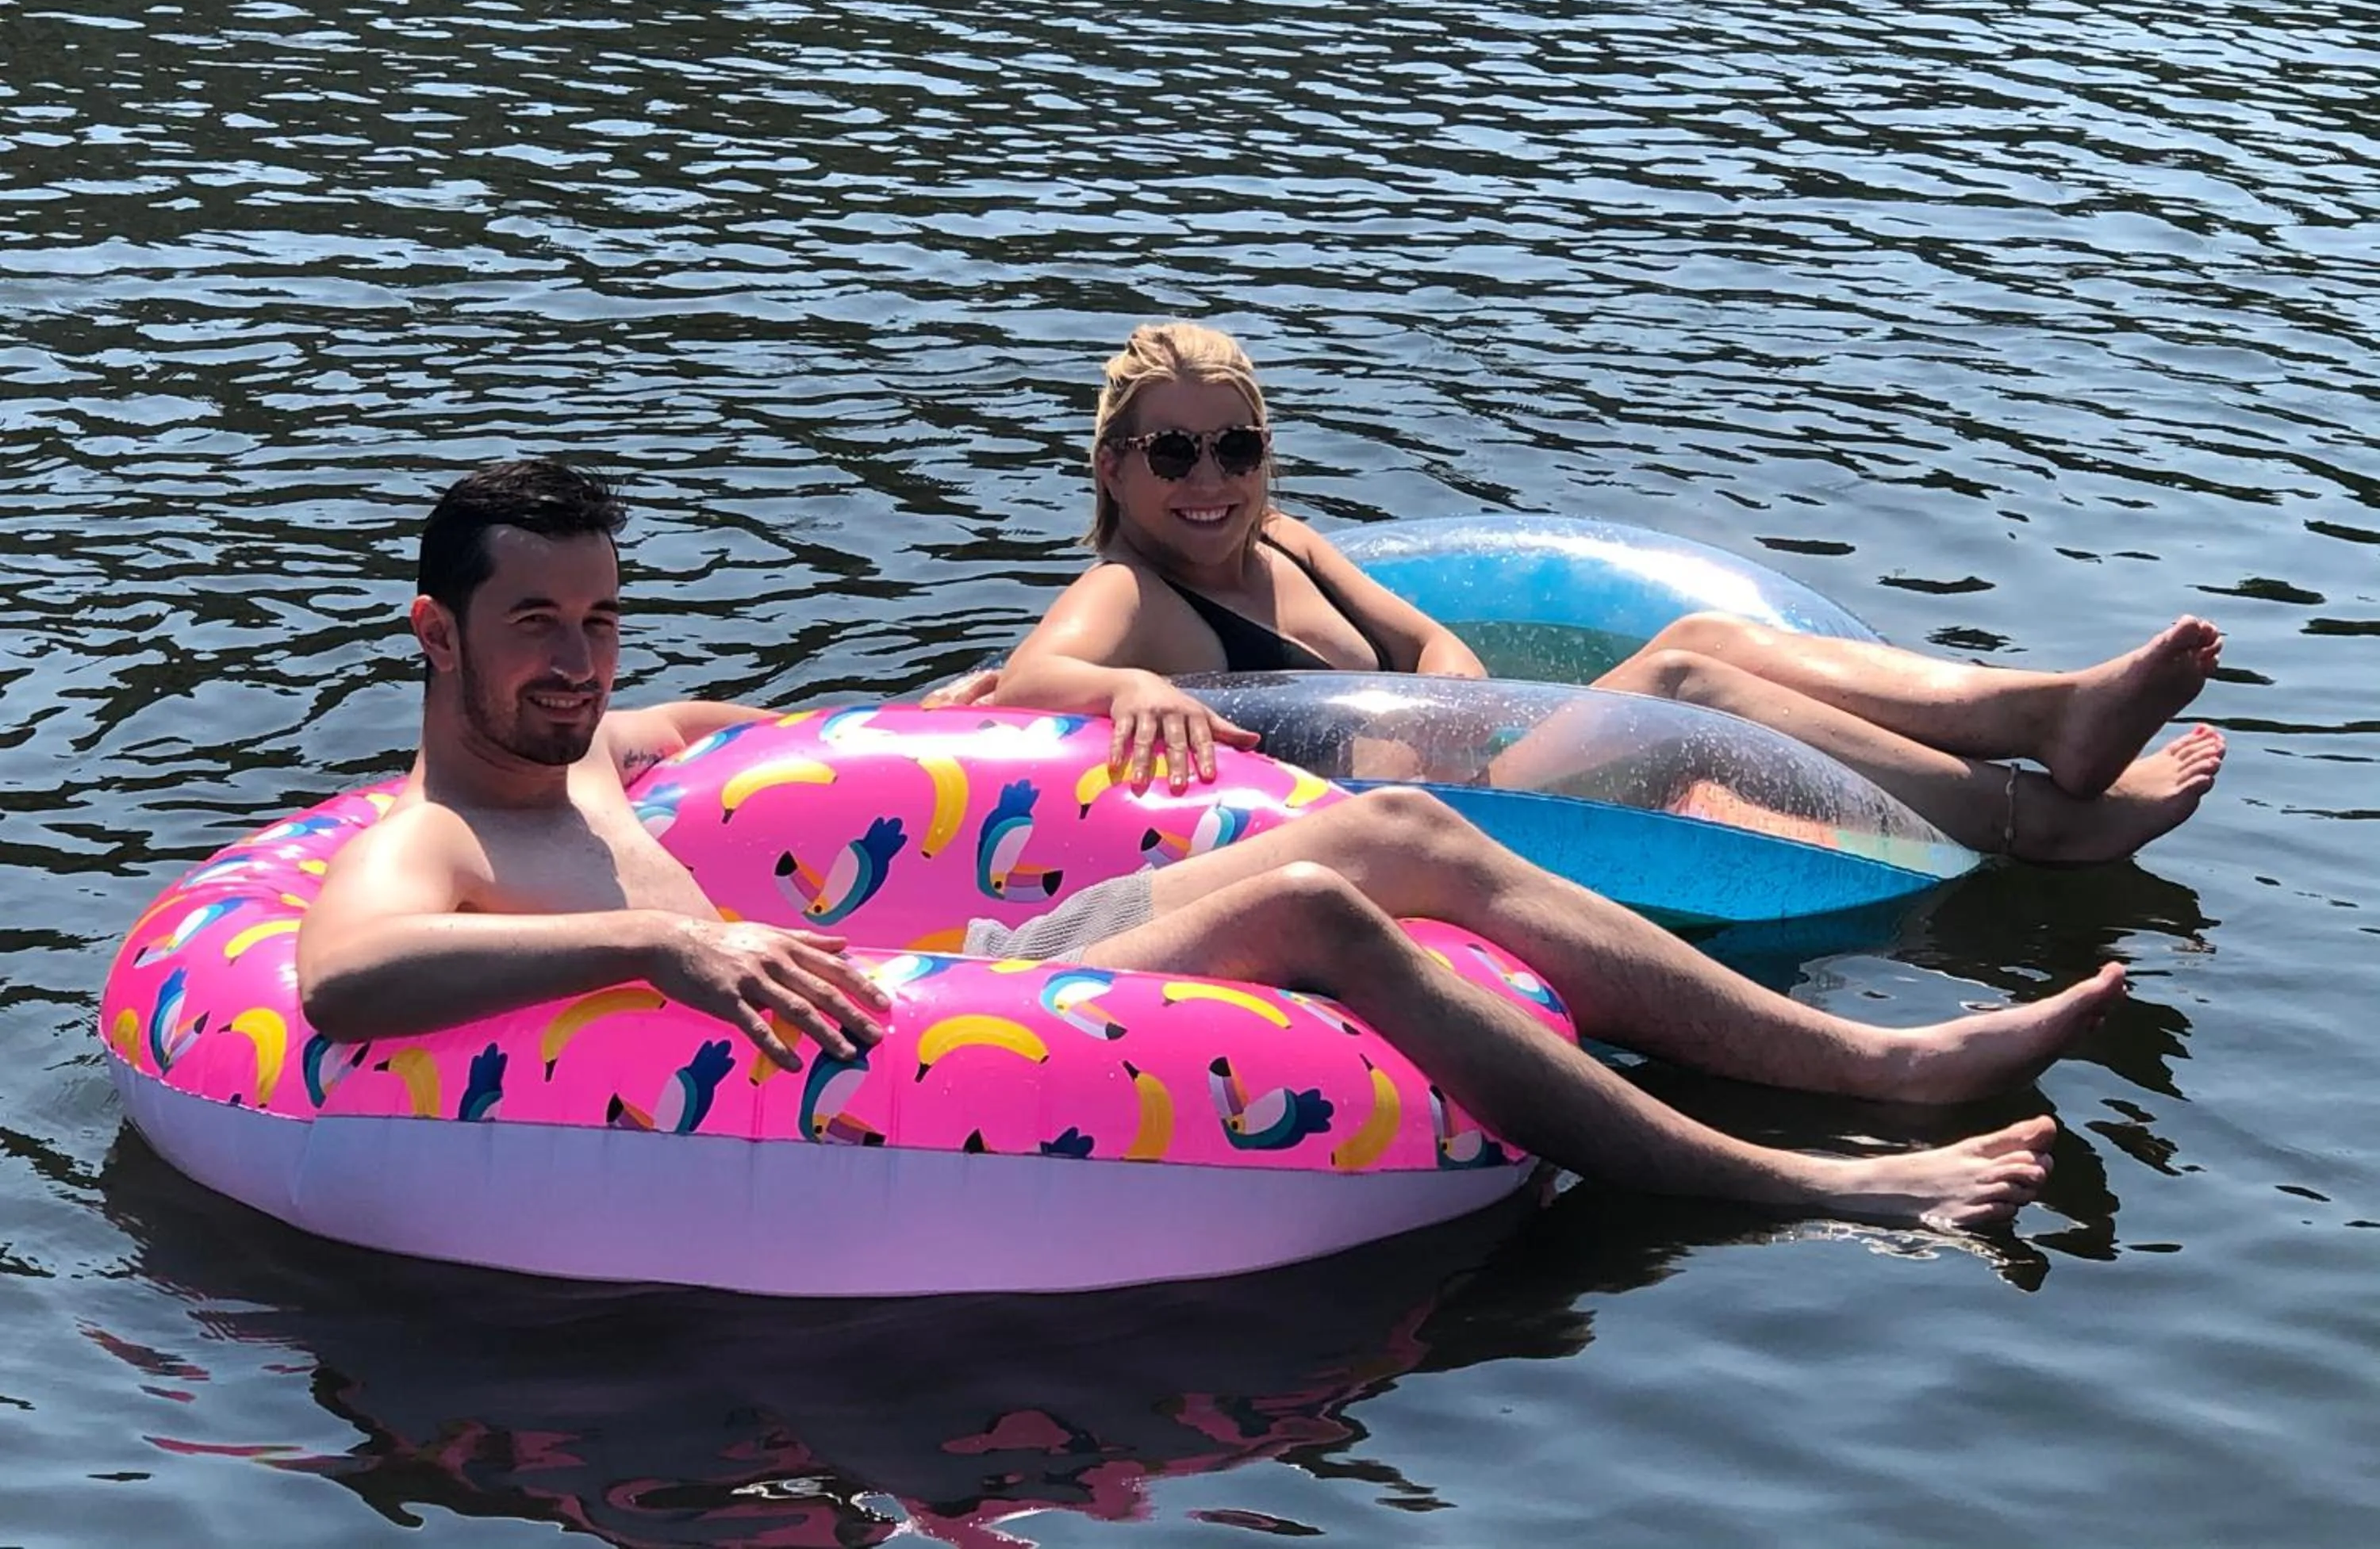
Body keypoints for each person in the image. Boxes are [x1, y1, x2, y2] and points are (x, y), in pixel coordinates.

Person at [295, 456, 2125, 1233]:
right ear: (435, 636)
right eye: (538, 627)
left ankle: (1885, 1064)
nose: (580, 661)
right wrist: (661, 945)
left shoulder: (608, 753)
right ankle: (1811, 1181)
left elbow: (825, 740)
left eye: (600, 621)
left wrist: (1033, 706)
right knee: (1322, 903)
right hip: (915, 1037)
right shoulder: (434, 837)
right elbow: (349, 983)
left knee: (1400, 824)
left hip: (947, 970)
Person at [950, 323, 2228, 865]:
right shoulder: (1129, 589)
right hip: (1430, 826)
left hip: (1474, 759)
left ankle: (2044, 714)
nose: (1209, 480)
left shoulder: (1289, 540)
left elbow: (1430, 641)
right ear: (1114, 468)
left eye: (1236, 447)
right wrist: (1126, 690)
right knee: (1688, 676)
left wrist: (1444, 701)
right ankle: (2036, 819)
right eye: (1172, 452)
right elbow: (1037, 674)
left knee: (1709, 632)